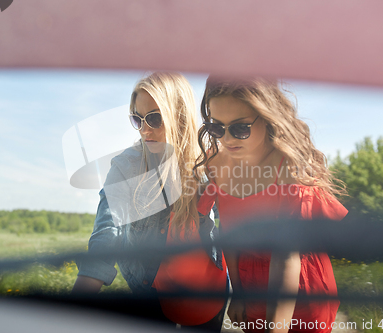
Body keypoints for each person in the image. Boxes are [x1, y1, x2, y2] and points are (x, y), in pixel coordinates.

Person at [72, 72, 228, 331]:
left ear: (178, 115)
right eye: (137, 119)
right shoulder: (126, 166)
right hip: (149, 286)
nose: (145, 129)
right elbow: (108, 229)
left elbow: (236, 219)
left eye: (154, 118)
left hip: (205, 286)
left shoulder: (207, 163)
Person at [193, 76, 348, 333]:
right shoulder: (218, 165)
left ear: (267, 117)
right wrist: (240, 293)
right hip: (250, 281)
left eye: (240, 128)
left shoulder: (289, 167)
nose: (228, 139)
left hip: (299, 286)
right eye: (217, 128)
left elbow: (286, 256)